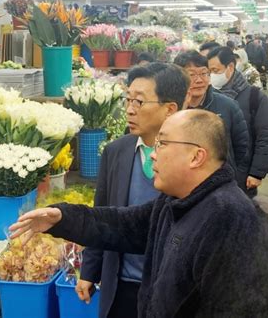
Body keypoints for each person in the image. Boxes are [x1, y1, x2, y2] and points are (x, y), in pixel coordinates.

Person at [10, 109, 268, 318]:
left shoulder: (230, 218)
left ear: (197, 156)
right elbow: (126, 225)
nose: (153, 156)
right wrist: (63, 218)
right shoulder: (178, 200)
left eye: (163, 144)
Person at [77, 63, 189, 318]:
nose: (129, 109)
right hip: (122, 285)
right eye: (127, 99)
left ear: (170, 109)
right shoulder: (117, 152)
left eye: (139, 102)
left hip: (169, 288)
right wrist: (89, 271)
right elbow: (102, 215)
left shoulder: (191, 158)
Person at [207, 46, 268, 198]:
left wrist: (257, 173)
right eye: (208, 71)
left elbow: (265, 136)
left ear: (230, 67)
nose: (211, 76)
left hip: (243, 175)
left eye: (216, 71)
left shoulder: (254, 97)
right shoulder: (209, 96)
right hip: (212, 173)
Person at [173, 51, 249, 176]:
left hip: (219, 180)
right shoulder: (171, 108)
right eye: (191, 75)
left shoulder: (228, 105)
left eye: (204, 73)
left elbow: (241, 146)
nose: (199, 80)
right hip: (181, 178)